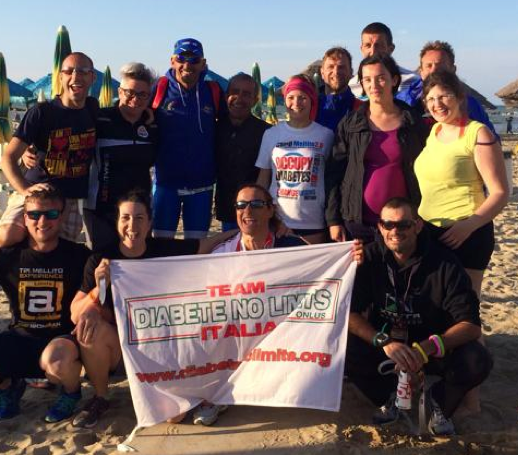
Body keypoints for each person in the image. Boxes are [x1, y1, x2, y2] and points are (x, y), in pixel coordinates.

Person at [193, 182, 364, 425]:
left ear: (270, 210)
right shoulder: (223, 253)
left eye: (256, 204)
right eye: (241, 205)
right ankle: (217, 394)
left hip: (280, 330)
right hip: (239, 331)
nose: (247, 211)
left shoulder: (291, 247)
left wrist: (349, 258)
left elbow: (326, 271)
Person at [69, 189, 234, 428]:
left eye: (139, 218)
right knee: (88, 327)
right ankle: (100, 397)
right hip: (119, 348)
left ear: (149, 223)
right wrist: (97, 289)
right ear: (117, 222)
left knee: (173, 417)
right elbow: (75, 313)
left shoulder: (163, 250)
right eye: (126, 218)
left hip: (159, 348)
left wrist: (242, 230)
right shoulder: (101, 259)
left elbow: (207, 245)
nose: (132, 225)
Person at [0, 189, 91, 423]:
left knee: (57, 361)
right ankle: (7, 386)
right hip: (20, 337)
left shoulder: (79, 255)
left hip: (61, 341)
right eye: (34, 215)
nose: (42, 221)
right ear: (24, 218)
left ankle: (71, 393)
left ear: (62, 217)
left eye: (51, 214)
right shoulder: (6, 257)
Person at [346, 197, 493, 436]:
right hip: (389, 345)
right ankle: (388, 396)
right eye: (388, 224)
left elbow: (471, 325)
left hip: (432, 346)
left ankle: (438, 402)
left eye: (403, 224)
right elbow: (350, 313)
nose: (395, 231)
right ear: (380, 227)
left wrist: (425, 349)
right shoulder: (370, 258)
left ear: (417, 225)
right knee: (343, 345)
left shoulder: (445, 263)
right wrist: (383, 342)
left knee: (478, 359)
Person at [0, 52, 98, 253]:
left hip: (70, 199)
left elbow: (126, 112)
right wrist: (24, 190)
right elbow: (8, 157)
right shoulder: (42, 112)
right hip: (36, 192)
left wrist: (147, 115)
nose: (75, 77)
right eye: (69, 71)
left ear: (93, 77)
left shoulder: (93, 109)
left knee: (56, 253)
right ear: (60, 77)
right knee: (8, 235)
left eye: (83, 71)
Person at [414, 70, 509, 296]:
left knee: (464, 306)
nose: (437, 104)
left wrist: (469, 225)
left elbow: (500, 193)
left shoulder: (478, 134)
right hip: (430, 230)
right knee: (434, 304)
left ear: (459, 97)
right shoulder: (435, 131)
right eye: (431, 99)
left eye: (444, 96)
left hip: (466, 232)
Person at [325, 55, 428, 243]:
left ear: (394, 80)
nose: (374, 85)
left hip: (403, 224)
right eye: (367, 79)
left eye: (380, 78)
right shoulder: (350, 124)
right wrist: (333, 221)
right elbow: (334, 173)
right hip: (358, 223)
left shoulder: (413, 122)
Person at [151, 38, 224, 239]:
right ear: (172, 61)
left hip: (202, 185)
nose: (187, 65)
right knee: (162, 245)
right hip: (166, 184)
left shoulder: (213, 91)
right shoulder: (159, 89)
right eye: (181, 58)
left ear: (203, 63)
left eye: (194, 60)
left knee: (196, 248)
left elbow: (230, 127)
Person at [83, 62, 158, 250]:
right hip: (101, 208)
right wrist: (32, 149)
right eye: (130, 92)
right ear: (120, 91)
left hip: (138, 211)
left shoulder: (154, 124)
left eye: (142, 94)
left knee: (136, 262)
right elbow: (67, 132)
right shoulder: (100, 118)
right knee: (103, 261)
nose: (135, 99)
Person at [256, 75, 335, 244]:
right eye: (291, 97)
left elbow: (332, 180)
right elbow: (263, 179)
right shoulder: (271, 134)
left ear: (312, 100)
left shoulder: (326, 135)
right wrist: (260, 211)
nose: (296, 103)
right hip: (278, 220)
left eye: (302, 97)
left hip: (313, 221)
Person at [405, 41, 499, 140]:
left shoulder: (469, 104)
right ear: (421, 72)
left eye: (440, 65)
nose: (434, 70)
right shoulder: (406, 102)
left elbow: (492, 140)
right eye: (429, 66)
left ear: (453, 69)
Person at [215, 73, 271, 231]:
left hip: (256, 210)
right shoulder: (214, 128)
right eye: (234, 92)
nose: (239, 98)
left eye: (246, 94)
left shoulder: (267, 132)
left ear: (255, 100)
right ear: (226, 96)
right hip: (227, 208)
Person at [347, 22, 419, 105]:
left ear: (391, 49)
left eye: (378, 45)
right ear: (362, 49)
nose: (373, 51)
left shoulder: (413, 81)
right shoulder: (352, 86)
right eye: (368, 45)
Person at [316, 47, 361, 132]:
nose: (336, 72)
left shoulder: (361, 109)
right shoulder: (310, 107)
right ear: (322, 73)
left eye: (341, 67)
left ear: (351, 72)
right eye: (331, 67)